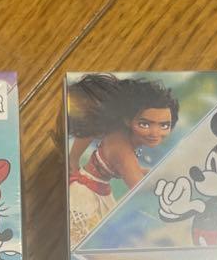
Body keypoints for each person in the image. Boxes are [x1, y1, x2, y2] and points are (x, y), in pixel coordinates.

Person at [67, 74, 178, 244]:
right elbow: (138, 187)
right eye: (145, 124)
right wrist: (166, 185)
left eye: (164, 125)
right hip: (86, 195)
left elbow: (91, 133)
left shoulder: (118, 131)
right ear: (128, 120)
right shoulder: (123, 151)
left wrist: (74, 158)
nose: (155, 133)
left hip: (99, 190)